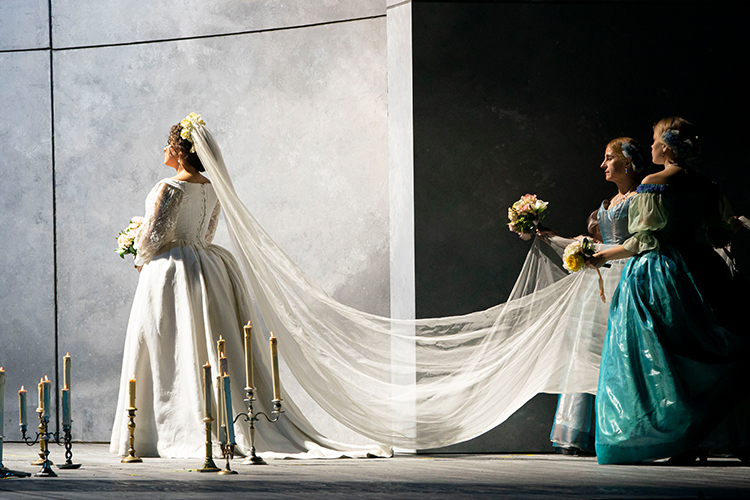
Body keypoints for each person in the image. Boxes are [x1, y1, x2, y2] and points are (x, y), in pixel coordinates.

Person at [110, 114, 390, 459]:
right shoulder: (213, 187)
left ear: (180, 151)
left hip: (172, 273)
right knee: (208, 341)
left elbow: (154, 235)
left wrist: (138, 251)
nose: (164, 151)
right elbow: (207, 233)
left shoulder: (169, 187)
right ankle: (217, 419)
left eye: (168, 145)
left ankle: (160, 430)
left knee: (168, 344)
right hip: (210, 268)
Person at [589, 117, 749, 464]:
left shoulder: (654, 183)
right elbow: (717, 236)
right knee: (697, 349)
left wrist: (602, 256)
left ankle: (675, 436)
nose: (650, 146)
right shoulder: (707, 186)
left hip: (662, 273)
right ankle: (701, 437)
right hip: (704, 270)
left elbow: (642, 240)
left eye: (654, 140)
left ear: (666, 145)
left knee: (662, 357)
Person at [541, 138, 645, 455]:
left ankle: (625, 430)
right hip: (599, 280)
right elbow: (594, 242)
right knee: (586, 349)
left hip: (627, 276)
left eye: (609, 158)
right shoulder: (610, 202)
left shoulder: (642, 198)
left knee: (623, 350)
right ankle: (578, 430)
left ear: (627, 162)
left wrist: (600, 255)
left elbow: (640, 240)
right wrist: (550, 236)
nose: (603, 165)